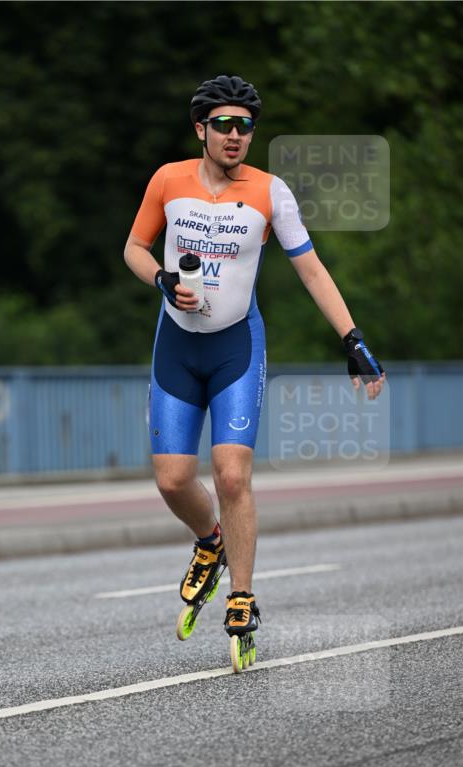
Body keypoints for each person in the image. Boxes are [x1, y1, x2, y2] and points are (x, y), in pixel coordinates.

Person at [123, 74, 385, 664]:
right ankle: (208, 543)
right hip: (177, 347)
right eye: (224, 125)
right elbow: (134, 249)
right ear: (201, 130)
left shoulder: (272, 193)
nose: (236, 135)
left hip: (236, 348)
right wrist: (161, 280)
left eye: (245, 125)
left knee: (232, 476)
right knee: (170, 479)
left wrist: (352, 339)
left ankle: (242, 594)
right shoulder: (169, 180)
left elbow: (313, 271)